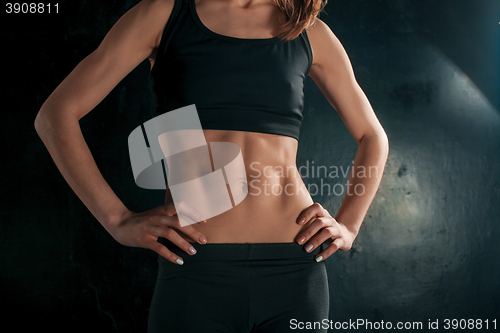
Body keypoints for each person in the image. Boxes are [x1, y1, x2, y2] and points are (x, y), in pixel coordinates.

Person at [34, 0, 389, 331]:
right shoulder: (163, 15)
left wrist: (348, 227)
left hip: (294, 267)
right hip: (195, 267)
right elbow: (55, 115)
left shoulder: (308, 32)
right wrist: (117, 219)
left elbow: (373, 137)